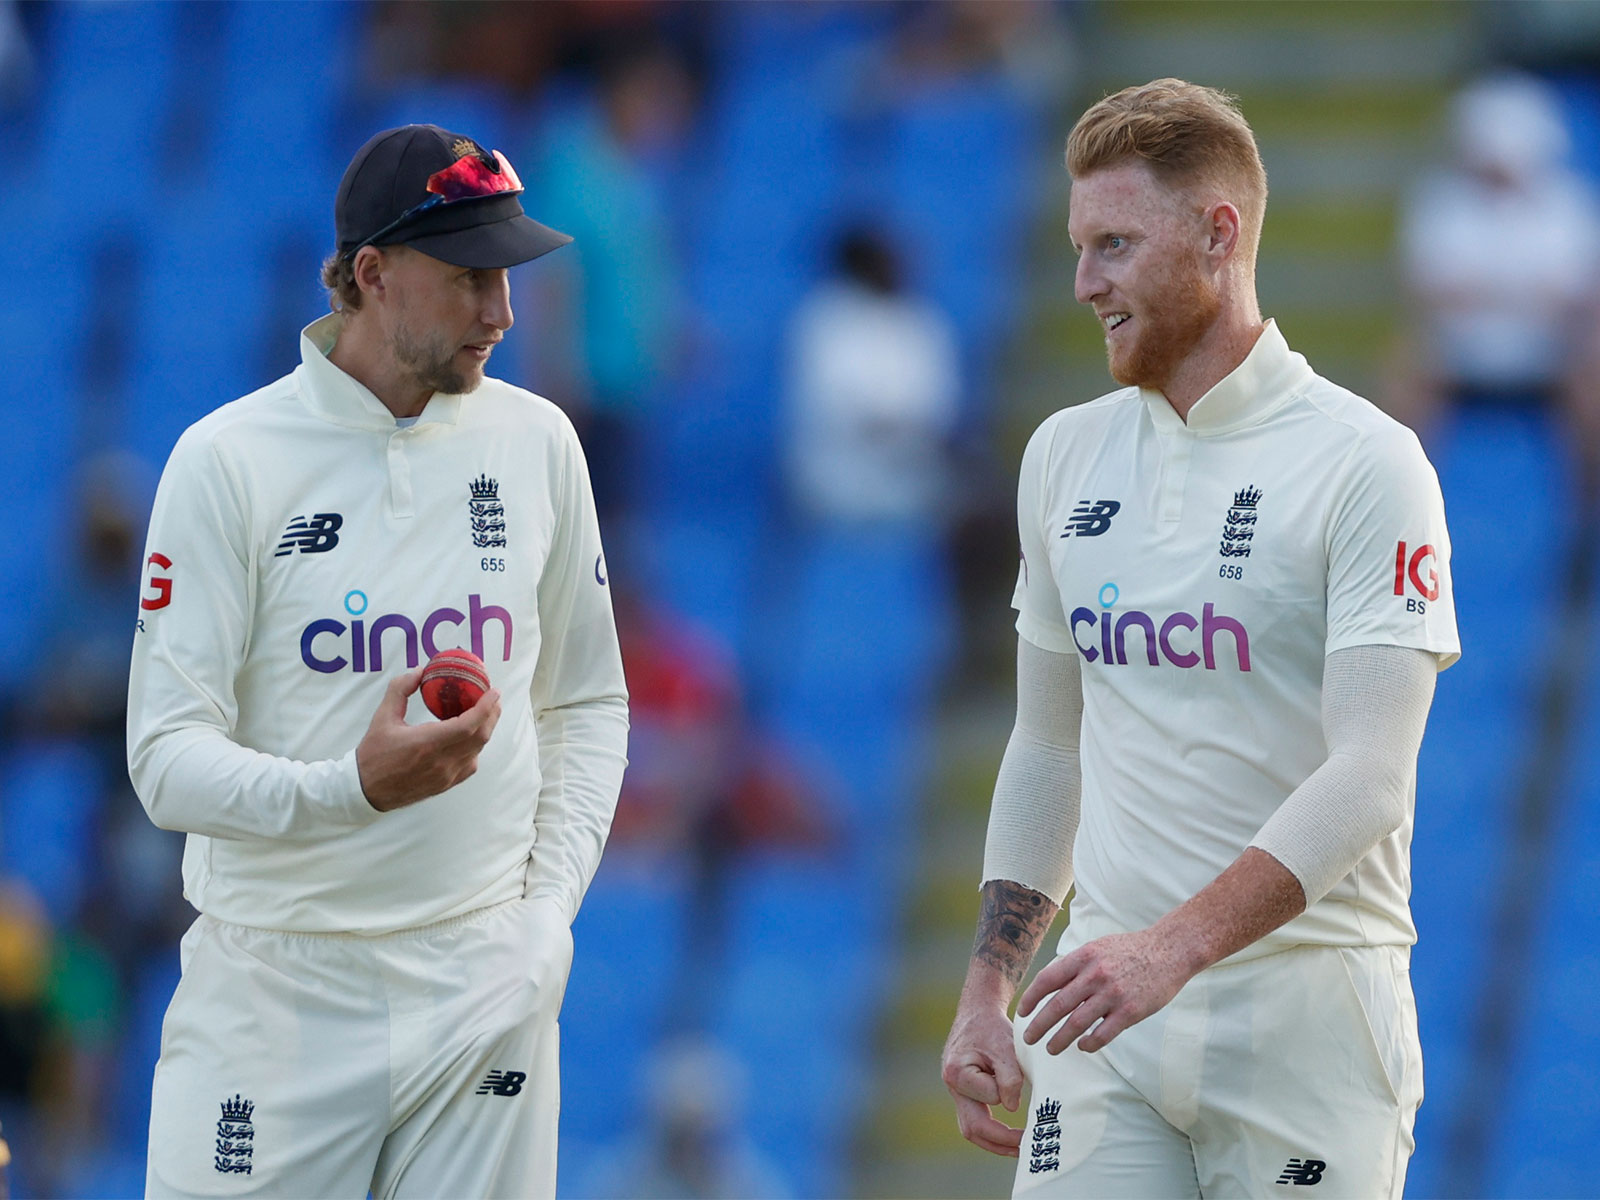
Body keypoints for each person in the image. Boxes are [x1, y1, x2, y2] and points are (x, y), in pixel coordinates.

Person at [940, 80, 1459, 1198]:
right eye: (1079, 248)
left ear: (1217, 234)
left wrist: (1170, 951)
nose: (1085, 284)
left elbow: (1370, 774)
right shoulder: (1062, 457)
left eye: (1115, 244)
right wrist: (989, 988)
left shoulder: (1367, 464)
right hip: (1105, 1020)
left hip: (1308, 1016)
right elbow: (1047, 749)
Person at [127, 125, 629, 1198]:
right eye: (469, 278)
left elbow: (587, 700)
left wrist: (543, 923)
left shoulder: (536, 441)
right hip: (277, 994)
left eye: (508, 277)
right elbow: (164, 761)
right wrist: (350, 791)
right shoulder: (227, 461)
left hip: (482, 977)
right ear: (372, 275)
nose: (501, 312)